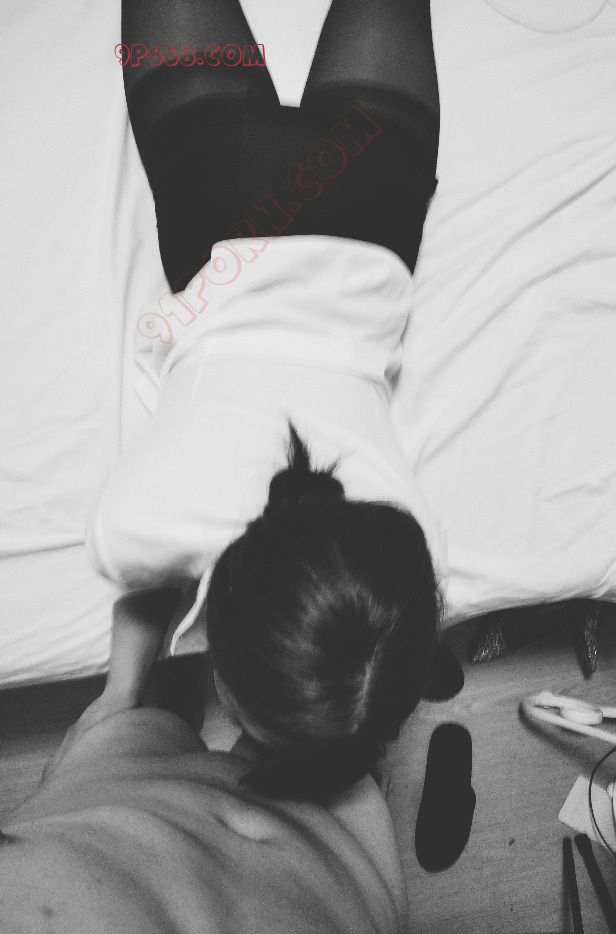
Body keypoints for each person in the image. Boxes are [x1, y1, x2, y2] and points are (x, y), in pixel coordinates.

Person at [86, 0, 446, 803]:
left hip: (371, 202)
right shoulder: (138, 524)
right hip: (221, 196)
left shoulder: (420, 553)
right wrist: (121, 692)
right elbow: (143, 589)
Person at [0, 594, 407, 934]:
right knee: (318, 739)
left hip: (129, 781)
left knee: (162, 710)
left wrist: (119, 694)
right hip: (348, 867)